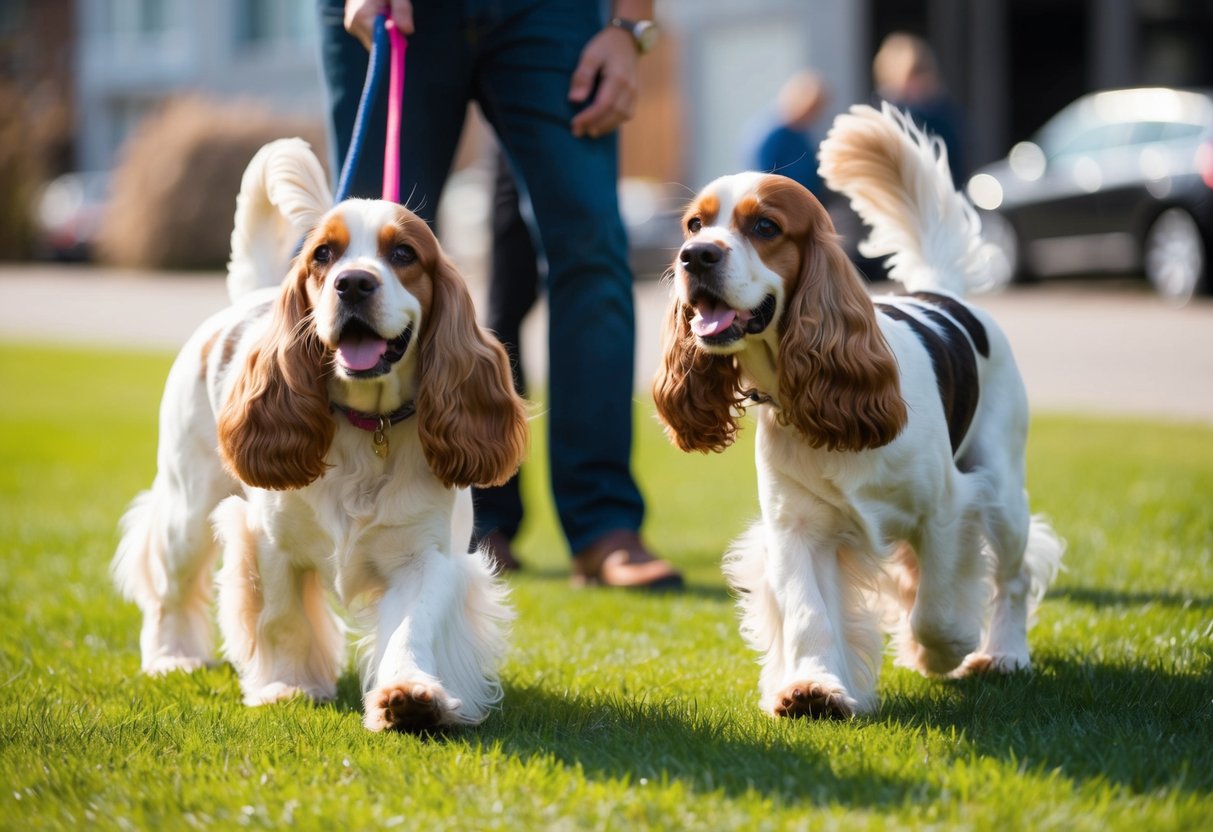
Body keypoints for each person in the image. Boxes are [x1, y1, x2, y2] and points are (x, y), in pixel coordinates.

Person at [317, 0, 682, 589]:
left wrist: (628, 26)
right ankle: (412, 525)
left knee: (589, 248)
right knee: (360, 254)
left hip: (549, 14)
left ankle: (603, 524)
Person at [872, 32, 965, 185]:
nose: (920, 81)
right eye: (914, 74)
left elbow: (956, 166)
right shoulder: (881, 117)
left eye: (924, 71)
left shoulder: (944, 115)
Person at [751, 70, 830, 198]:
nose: (815, 116)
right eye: (812, 109)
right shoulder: (773, 136)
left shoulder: (802, 134)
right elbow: (761, 177)